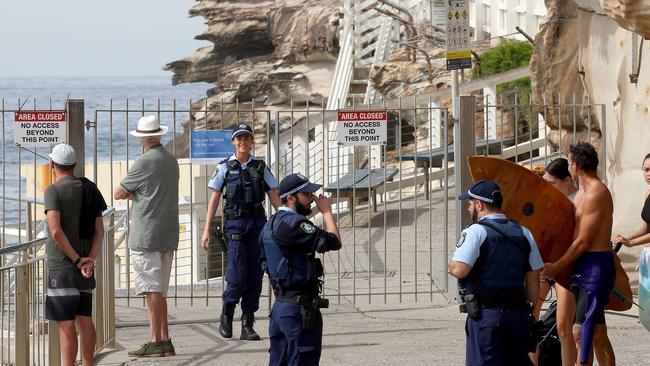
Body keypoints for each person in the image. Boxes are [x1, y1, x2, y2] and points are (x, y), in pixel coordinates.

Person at [200, 123, 281, 340]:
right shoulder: (225, 167)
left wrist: (285, 217)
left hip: (258, 226)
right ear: (233, 142)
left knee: (256, 275)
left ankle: (248, 323)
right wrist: (206, 230)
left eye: (246, 138)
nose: (243, 142)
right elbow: (214, 199)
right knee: (236, 274)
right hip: (235, 226)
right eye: (239, 139)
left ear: (251, 141)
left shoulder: (260, 167)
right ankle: (227, 314)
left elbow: (273, 194)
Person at [449, 180, 543, 366]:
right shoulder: (524, 232)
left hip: (486, 317)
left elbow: (460, 269)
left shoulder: (475, 232)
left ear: (479, 204)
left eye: (469, 204)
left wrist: (451, 264)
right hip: (517, 316)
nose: (469, 209)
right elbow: (533, 276)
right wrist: (530, 311)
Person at [535, 158, 615, 366]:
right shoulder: (563, 198)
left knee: (573, 327)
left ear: (568, 179)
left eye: (552, 183)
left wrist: (558, 266)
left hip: (574, 267)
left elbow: (582, 241)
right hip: (553, 264)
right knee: (534, 318)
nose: (548, 187)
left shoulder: (586, 197)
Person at [113, 115, 179, 357]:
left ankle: (155, 339)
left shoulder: (143, 162)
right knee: (160, 290)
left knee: (151, 290)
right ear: (159, 135)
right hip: (168, 232)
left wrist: (136, 196)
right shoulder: (172, 161)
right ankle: (165, 339)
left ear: (142, 139)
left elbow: (119, 192)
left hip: (147, 235)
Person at [260, 173, 342, 366]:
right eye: (306, 194)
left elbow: (266, 264)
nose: (312, 199)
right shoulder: (296, 224)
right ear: (290, 198)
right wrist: (327, 212)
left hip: (280, 308)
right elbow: (335, 241)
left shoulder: (268, 226)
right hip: (299, 311)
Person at [44, 144, 107, 366]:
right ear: (74, 165)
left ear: (53, 165)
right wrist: (89, 259)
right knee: (85, 321)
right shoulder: (90, 188)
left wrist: (76, 259)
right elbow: (100, 231)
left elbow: (55, 231)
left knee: (66, 323)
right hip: (85, 268)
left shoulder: (53, 191)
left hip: (62, 267)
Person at [613, 153, 650, 248]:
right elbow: (646, 227)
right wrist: (629, 238)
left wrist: (631, 243)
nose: (649, 174)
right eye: (646, 170)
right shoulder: (648, 194)